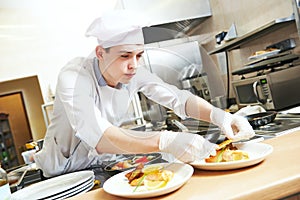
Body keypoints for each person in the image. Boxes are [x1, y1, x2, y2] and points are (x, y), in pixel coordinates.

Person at [34, 10, 255, 178]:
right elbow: (98, 136)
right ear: (101, 53)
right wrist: (166, 140)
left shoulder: (134, 72)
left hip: (101, 167)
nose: (133, 65)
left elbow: (177, 98)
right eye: (125, 56)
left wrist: (220, 116)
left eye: (139, 55)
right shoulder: (73, 77)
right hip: (61, 175)